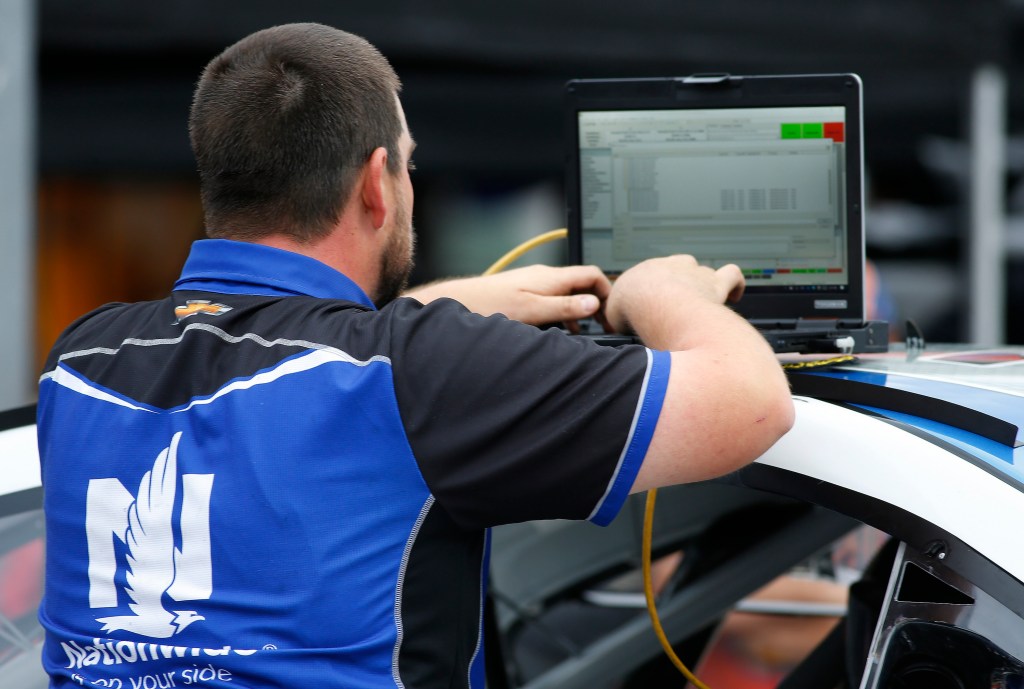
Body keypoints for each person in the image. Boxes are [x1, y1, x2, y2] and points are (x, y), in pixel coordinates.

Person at [36, 23, 793, 689]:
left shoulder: (82, 358)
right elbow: (752, 402)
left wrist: (439, 313)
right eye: (405, 162)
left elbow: (279, 375)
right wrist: (665, 294)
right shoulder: (418, 368)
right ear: (376, 185)